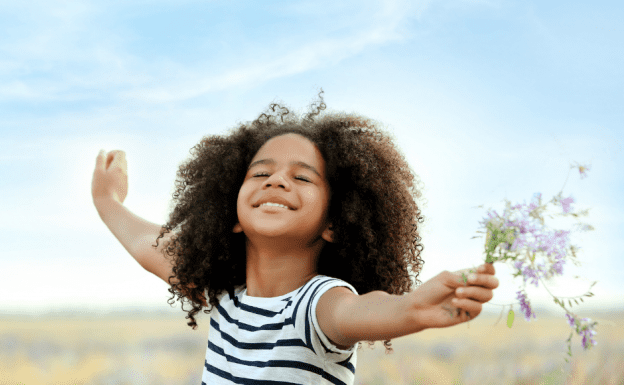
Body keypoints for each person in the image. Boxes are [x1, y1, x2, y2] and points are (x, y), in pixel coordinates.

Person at [91, 92, 499, 384]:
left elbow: (358, 313)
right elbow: (151, 247)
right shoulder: (227, 298)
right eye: (260, 173)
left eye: (302, 177)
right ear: (230, 215)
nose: (278, 181)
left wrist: (411, 310)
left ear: (334, 223)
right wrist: (107, 199)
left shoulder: (315, 306)